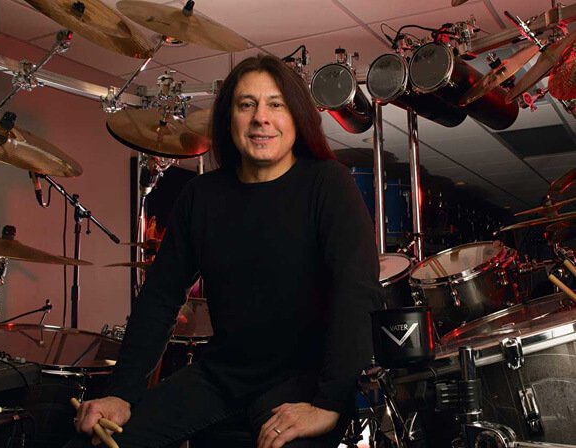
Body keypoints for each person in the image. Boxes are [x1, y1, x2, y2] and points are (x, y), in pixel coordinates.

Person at [68, 54, 381, 448]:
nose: (261, 118)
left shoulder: (328, 184)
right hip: (221, 375)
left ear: (297, 117)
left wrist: (330, 403)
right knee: (96, 443)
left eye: (276, 104)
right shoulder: (201, 196)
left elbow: (356, 295)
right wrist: (121, 393)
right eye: (246, 104)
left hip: (306, 378)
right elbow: (159, 298)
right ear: (229, 119)